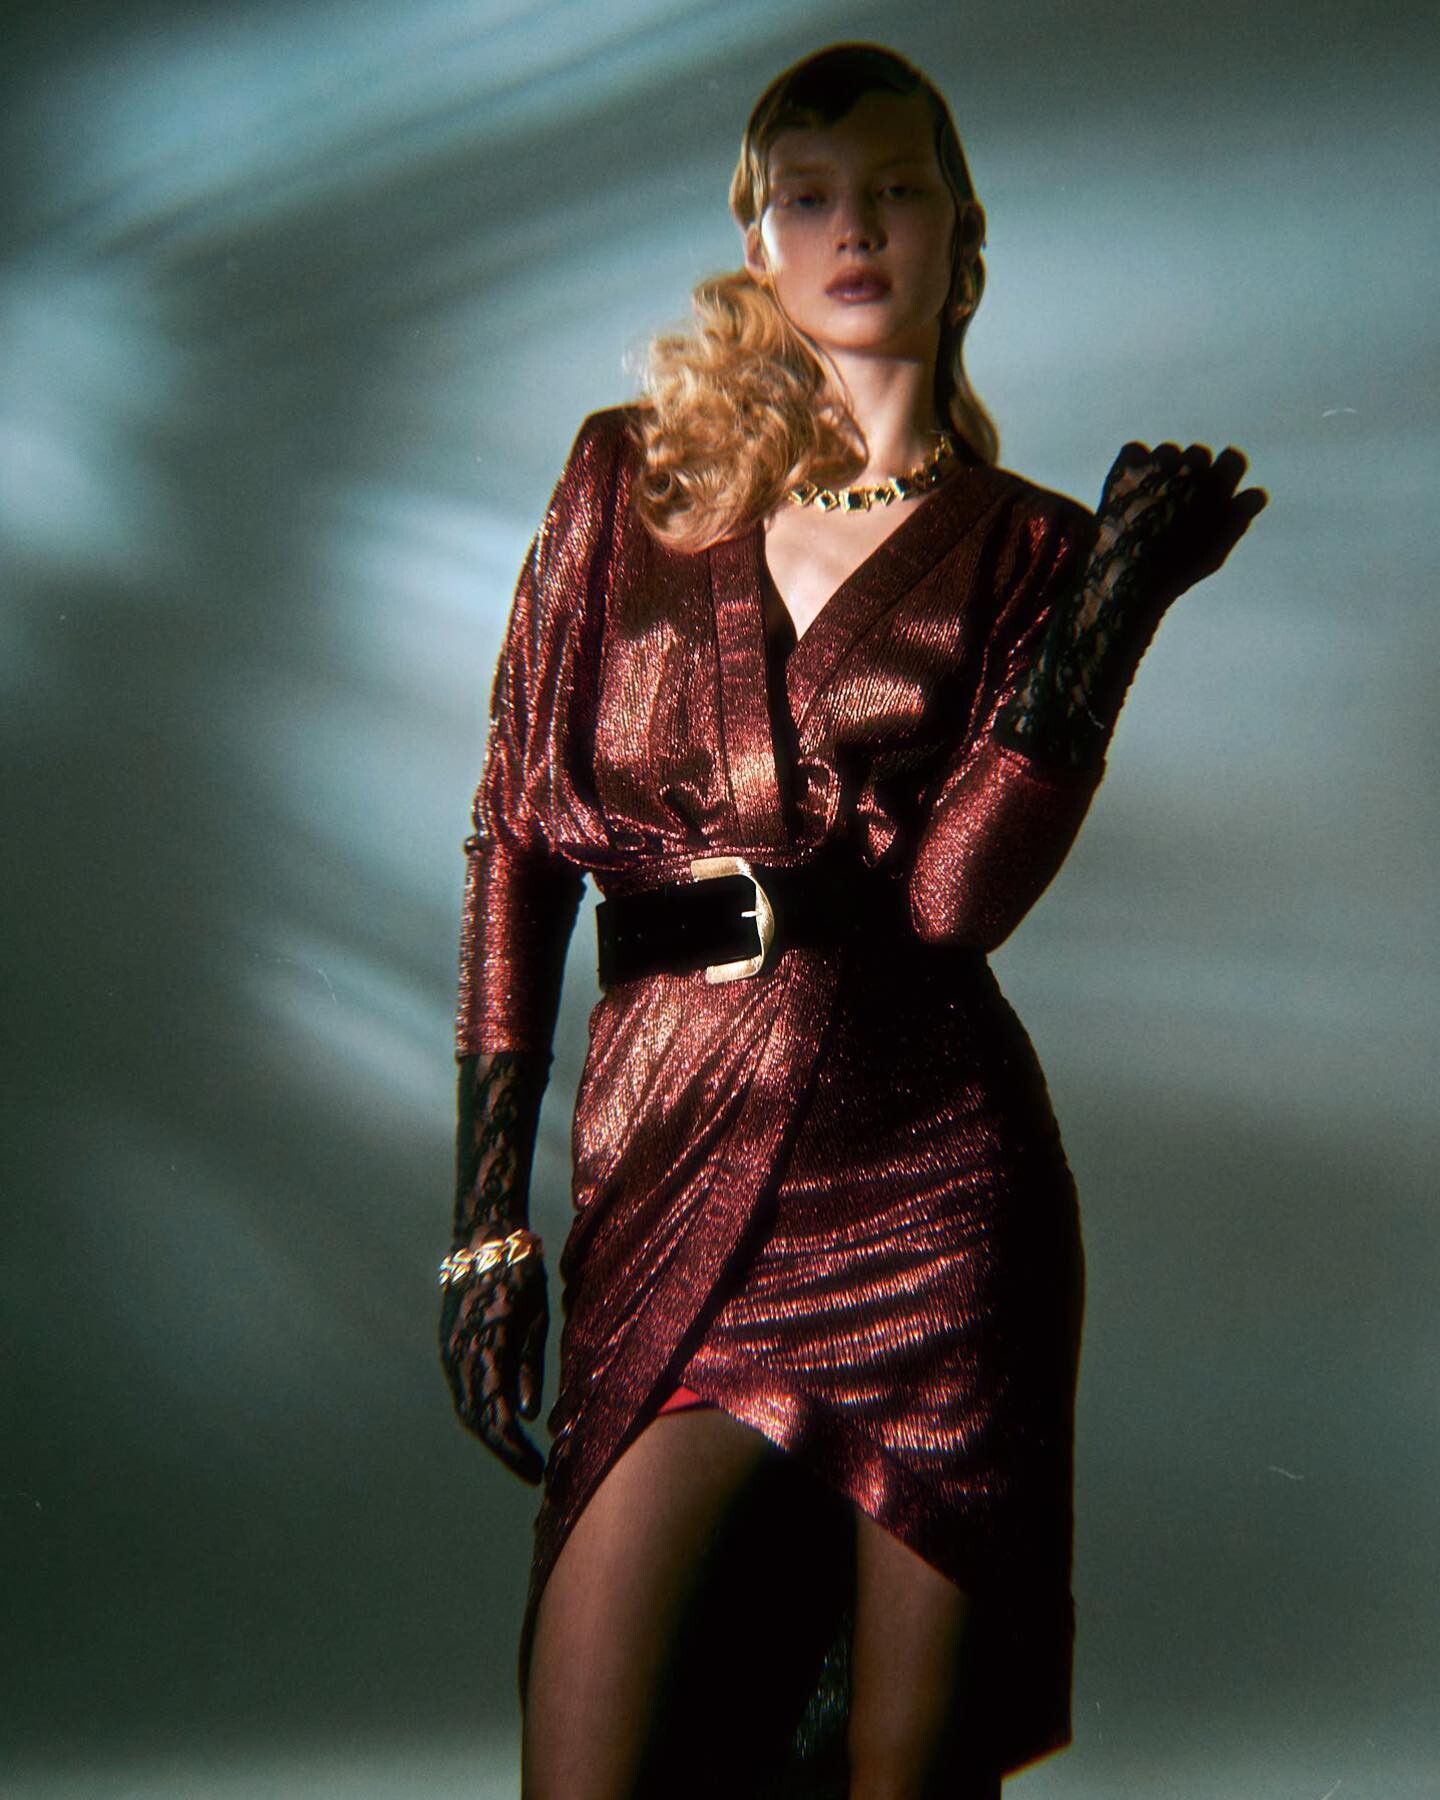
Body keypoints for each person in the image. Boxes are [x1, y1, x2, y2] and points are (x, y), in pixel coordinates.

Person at [439, 41, 1266, 1800]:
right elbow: (514, 837)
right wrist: (482, 1226)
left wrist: (1110, 618)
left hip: (927, 1185)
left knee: (910, 1776)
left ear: (964, 237)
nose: (855, 229)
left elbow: (955, 901)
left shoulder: (1032, 548)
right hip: (666, 1151)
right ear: (757, 242)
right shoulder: (624, 481)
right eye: (809, 198)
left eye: (896, 190)